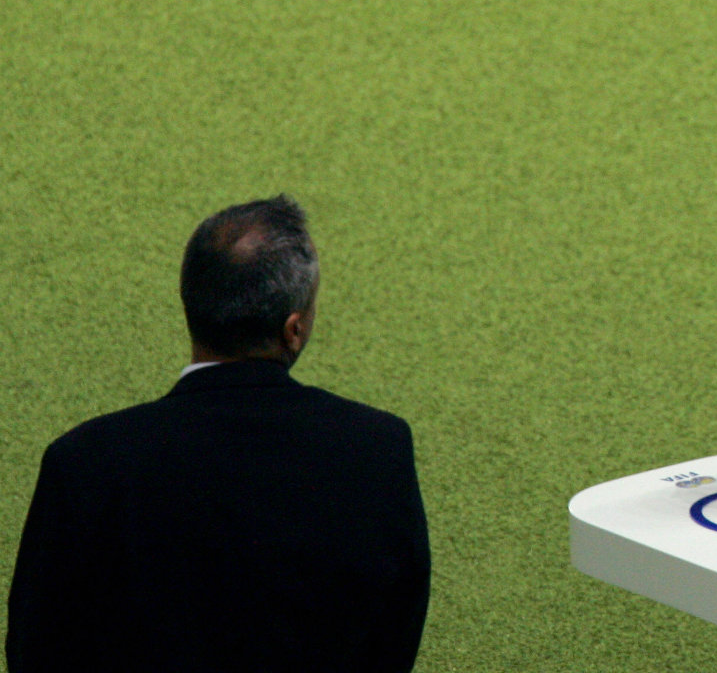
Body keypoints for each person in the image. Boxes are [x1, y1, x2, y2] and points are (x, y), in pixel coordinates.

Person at [7, 196, 431, 672]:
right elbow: (394, 633)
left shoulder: (84, 462)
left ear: (191, 304)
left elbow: (36, 648)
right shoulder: (377, 449)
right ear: (293, 329)